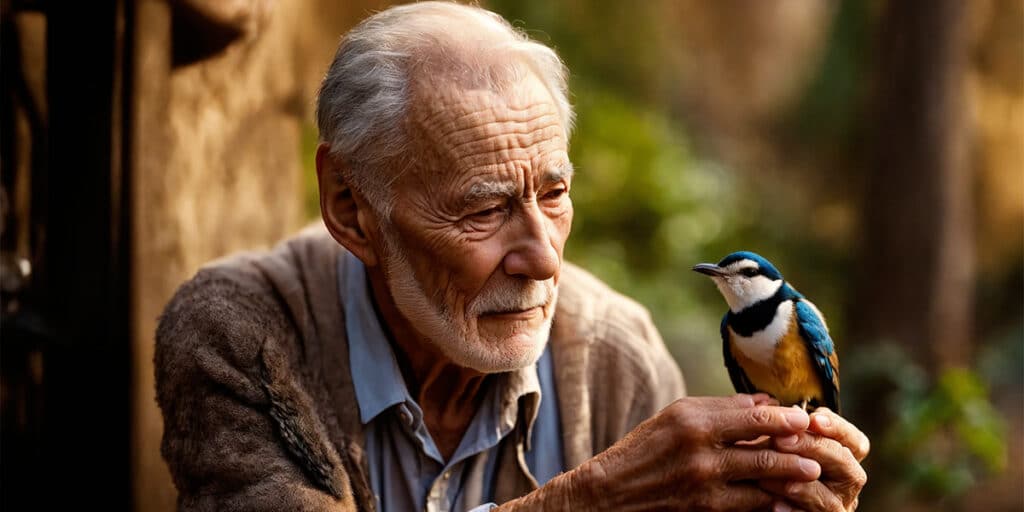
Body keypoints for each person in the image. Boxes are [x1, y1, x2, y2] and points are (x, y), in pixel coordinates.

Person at [155, 2, 868, 511]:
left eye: (553, 193)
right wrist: (591, 501)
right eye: (486, 208)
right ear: (351, 209)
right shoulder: (239, 333)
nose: (544, 259)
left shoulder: (617, 356)